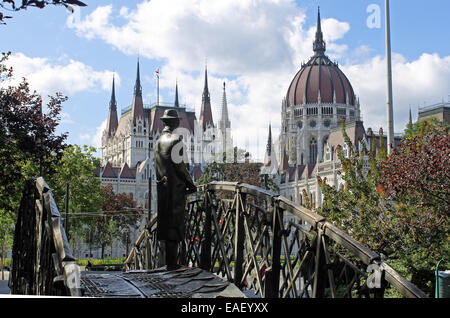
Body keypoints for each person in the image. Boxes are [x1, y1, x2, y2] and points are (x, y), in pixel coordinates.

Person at [154, 109, 197, 270]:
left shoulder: (158, 142)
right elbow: (181, 168)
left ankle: (166, 264)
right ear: (174, 122)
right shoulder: (175, 141)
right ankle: (172, 265)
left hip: (162, 191)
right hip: (175, 191)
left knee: (165, 227)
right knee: (174, 228)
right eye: (177, 120)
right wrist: (191, 185)